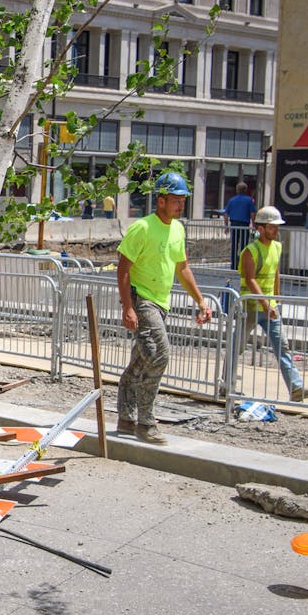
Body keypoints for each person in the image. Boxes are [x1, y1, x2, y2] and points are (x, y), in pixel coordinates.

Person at [116, 170, 214, 445]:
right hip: (142, 299)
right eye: (175, 200)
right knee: (159, 355)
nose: (180, 205)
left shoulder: (178, 229)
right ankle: (145, 422)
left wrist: (200, 300)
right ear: (160, 200)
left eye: (183, 200)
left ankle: (126, 416)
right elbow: (123, 268)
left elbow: (182, 268)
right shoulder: (143, 228)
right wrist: (128, 307)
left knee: (142, 358)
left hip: (162, 302)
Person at [236, 206, 308, 402]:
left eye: (277, 226)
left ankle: (296, 388)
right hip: (250, 307)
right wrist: (266, 304)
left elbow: (275, 271)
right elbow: (250, 280)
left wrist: (276, 296)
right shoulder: (250, 251)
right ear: (260, 228)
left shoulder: (277, 246)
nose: (276, 230)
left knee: (282, 347)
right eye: (272, 227)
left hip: (269, 307)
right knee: (237, 346)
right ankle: (226, 384)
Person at [220, 181, 257, 270]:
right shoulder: (249, 200)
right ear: (245, 190)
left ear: (237, 190)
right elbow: (252, 214)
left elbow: (226, 214)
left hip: (234, 225)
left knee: (234, 245)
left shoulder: (232, 200)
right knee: (244, 246)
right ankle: (242, 265)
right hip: (244, 225)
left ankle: (233, 265)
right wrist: (254, 225)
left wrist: (226, 226)